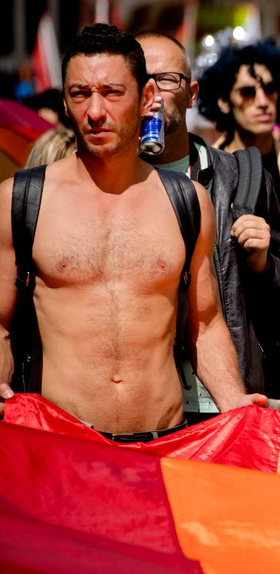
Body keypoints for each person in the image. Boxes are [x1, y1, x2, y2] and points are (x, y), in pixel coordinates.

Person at [0, 24, 260, 437]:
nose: (96, 111)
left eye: (112, 92)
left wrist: (234, 404)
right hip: (61, 447)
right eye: (80, 94)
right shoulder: (20, 198)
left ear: (147, 99)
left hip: (165, 447)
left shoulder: (188, 201)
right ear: (66, 102)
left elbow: (206, 323)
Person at [136, 31, 280, 418]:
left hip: (224, 405)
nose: (154, 93)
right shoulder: (105, 183)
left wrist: (263, 264)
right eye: (141, 79)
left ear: (192, 93)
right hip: (139, 412)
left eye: (167, 79)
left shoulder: (242, 176)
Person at [197, 41, 280, 214]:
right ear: (223, 101)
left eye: (269, 89)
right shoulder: (201, 172)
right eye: (248, 92)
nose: (263, 102)